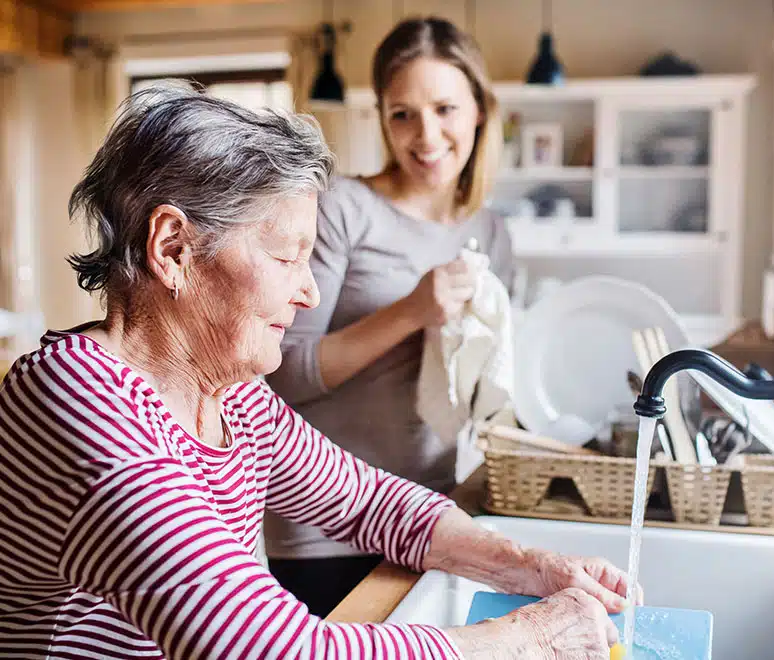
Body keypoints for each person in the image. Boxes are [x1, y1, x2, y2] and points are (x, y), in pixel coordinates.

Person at [0, 83, 639, 659]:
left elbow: (373, 504)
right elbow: (275, 651)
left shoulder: (233, 396)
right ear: (173, 249)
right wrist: (530, 640)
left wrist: (531, 567)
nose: (309, 293)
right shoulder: (77, 401)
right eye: (286, 256)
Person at [264, 16, 516, 616]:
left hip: (432, 511)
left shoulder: (491, 231)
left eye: (445, 109)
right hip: (323, 527)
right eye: (402, 113)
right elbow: (283, 373)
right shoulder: (342, 209)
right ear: (382, 118)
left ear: (479, 111)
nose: (425, 135)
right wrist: (411, 311)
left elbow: (485, 374)